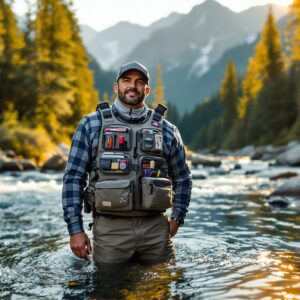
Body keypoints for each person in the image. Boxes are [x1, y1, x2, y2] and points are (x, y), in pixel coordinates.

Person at [62, 61, 192, 265]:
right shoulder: (91, 125)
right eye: (127, 80)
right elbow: (73, 179)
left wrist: (177, 217)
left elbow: (183, 178)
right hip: (109, 230)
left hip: (156, 231)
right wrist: (75, 230)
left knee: (161, 289)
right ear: (116, 86)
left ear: (147, 90)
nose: (133, 86)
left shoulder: (167, 130)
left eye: (139, 82)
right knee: (108, 291)